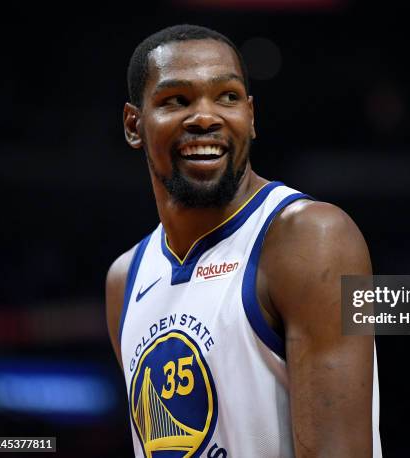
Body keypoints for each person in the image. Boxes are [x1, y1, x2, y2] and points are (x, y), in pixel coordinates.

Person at [105, 24, 381, 457]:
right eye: (176, 100)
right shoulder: (125, 279)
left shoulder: (309, 238)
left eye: (227, 97)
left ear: (250, 118)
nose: (204, 116)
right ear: (133, 125)